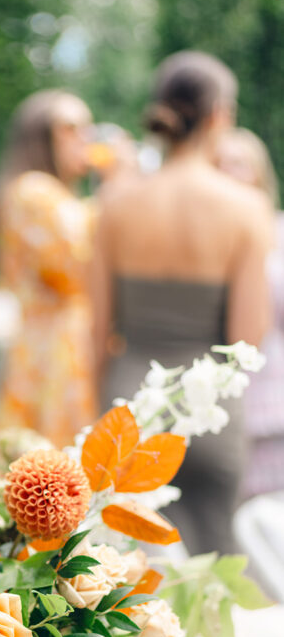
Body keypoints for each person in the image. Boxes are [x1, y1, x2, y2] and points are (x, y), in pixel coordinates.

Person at [91, 51, 272, 554]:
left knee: (125, 581)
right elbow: (246, 338)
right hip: (207, 411)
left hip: (131, 408)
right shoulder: (246, 208)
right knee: (210, 576)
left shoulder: (115, 204)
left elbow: (97, 330)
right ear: (219, 113)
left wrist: (94, 409)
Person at [0, 90, 98, 452]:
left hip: (57, 346)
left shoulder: (58, 197)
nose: (86, 139)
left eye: (88, 128)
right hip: (53, 353)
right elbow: (78, 268)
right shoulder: (33, 191)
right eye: (71, 128)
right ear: (40, 137)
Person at [215, 128, 284, 498]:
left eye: (239, 163)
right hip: (217, 408)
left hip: (275, 400)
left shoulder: (280, 231)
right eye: (220, 164)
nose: (228, 173)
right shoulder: (199, 243)